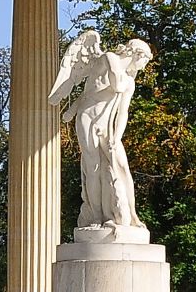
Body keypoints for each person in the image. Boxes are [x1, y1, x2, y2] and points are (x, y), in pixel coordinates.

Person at [49, 30, 154, 235]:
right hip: (88, 117)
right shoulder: (110, 58)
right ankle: (96, 217)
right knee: (93, 167)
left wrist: (116, 136)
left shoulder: (130, 82)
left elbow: (122, 112)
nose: (143, 67)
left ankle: (132, 215)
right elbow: (115, 83)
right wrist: (73, 109)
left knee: (122, 166)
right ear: (137, 54)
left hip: (107, 125)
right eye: (145, 61)